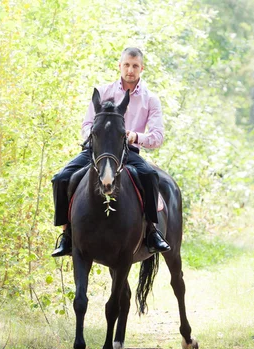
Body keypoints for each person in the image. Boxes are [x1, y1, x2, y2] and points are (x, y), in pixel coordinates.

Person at [51, 47, 170, 257]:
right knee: (60, 178)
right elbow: (86, 124)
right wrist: (96, 135)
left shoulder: (150, 99)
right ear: (120, 66)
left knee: (150, 176)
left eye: (135, 66)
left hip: (127, 152)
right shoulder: (104, 92)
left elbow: (157, 136)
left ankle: (151, 231)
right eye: (126, 65)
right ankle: (67, 234)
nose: (130, 70)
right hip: (96, 150)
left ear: (142, 68)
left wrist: (134, 136)